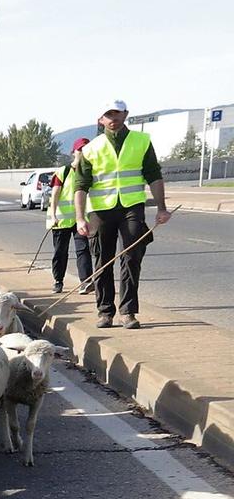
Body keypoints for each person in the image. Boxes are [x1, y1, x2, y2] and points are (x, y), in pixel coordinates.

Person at [72, 100, 172, 330]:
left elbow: (154, 175)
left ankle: (128, 311)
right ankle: (105, 311)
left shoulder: (142, 141)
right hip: (101, 211)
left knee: (131, 257)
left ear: (125, 114)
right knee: (102, 261)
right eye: (108, 114)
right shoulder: (90, 149)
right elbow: (81, 185)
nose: (113, 118)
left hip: (131, 207)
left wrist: (161, 207)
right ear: (101, 120)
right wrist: (80, 218)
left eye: (117, 113)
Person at [47, 138, 94, 295]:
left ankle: (86, 282)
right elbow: (54, 195)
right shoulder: (63, 172)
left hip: (81, 220)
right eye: (80, 149)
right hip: (62, 220)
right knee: (60, 251)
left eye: (86, 149)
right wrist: (53, 216)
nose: (83, 152)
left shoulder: (91, 171)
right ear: (74, 152)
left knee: (83, 249)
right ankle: (58, 281)